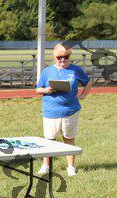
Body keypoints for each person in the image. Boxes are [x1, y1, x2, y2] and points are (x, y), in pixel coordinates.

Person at [36, 43, 92, 177]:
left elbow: (88, 82)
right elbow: (38, 89)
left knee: (68, 138)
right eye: (59, 57)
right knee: (49, 139)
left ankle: (71, 167)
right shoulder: (47, 71)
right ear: (54, 57)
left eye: (66, 57)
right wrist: (47, 90)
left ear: (69, 57)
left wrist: (83, 94)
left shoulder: (76, 70)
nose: (62, 60)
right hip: (50, 111)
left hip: (70, 110)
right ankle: (46, 166)